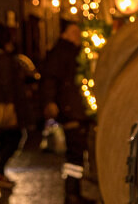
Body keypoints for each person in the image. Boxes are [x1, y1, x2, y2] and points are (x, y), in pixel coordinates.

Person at [42, 20, 92, 204]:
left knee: (76, 152)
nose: (77, 37)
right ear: (65, 33)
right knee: (74, 152)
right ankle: (72, 194)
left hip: (74, 109)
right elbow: (51, 79)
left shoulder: (70, 52)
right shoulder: (63, 53)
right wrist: (52, 102)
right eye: (74, 33)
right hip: (71, 110)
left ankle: (74, 192)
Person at [0, 23, 27, 191]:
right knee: (14, 138)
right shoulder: (6, 60)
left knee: (4, 140)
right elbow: (7, 84)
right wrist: (12, 105)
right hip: (6, 108)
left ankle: (0, 172)